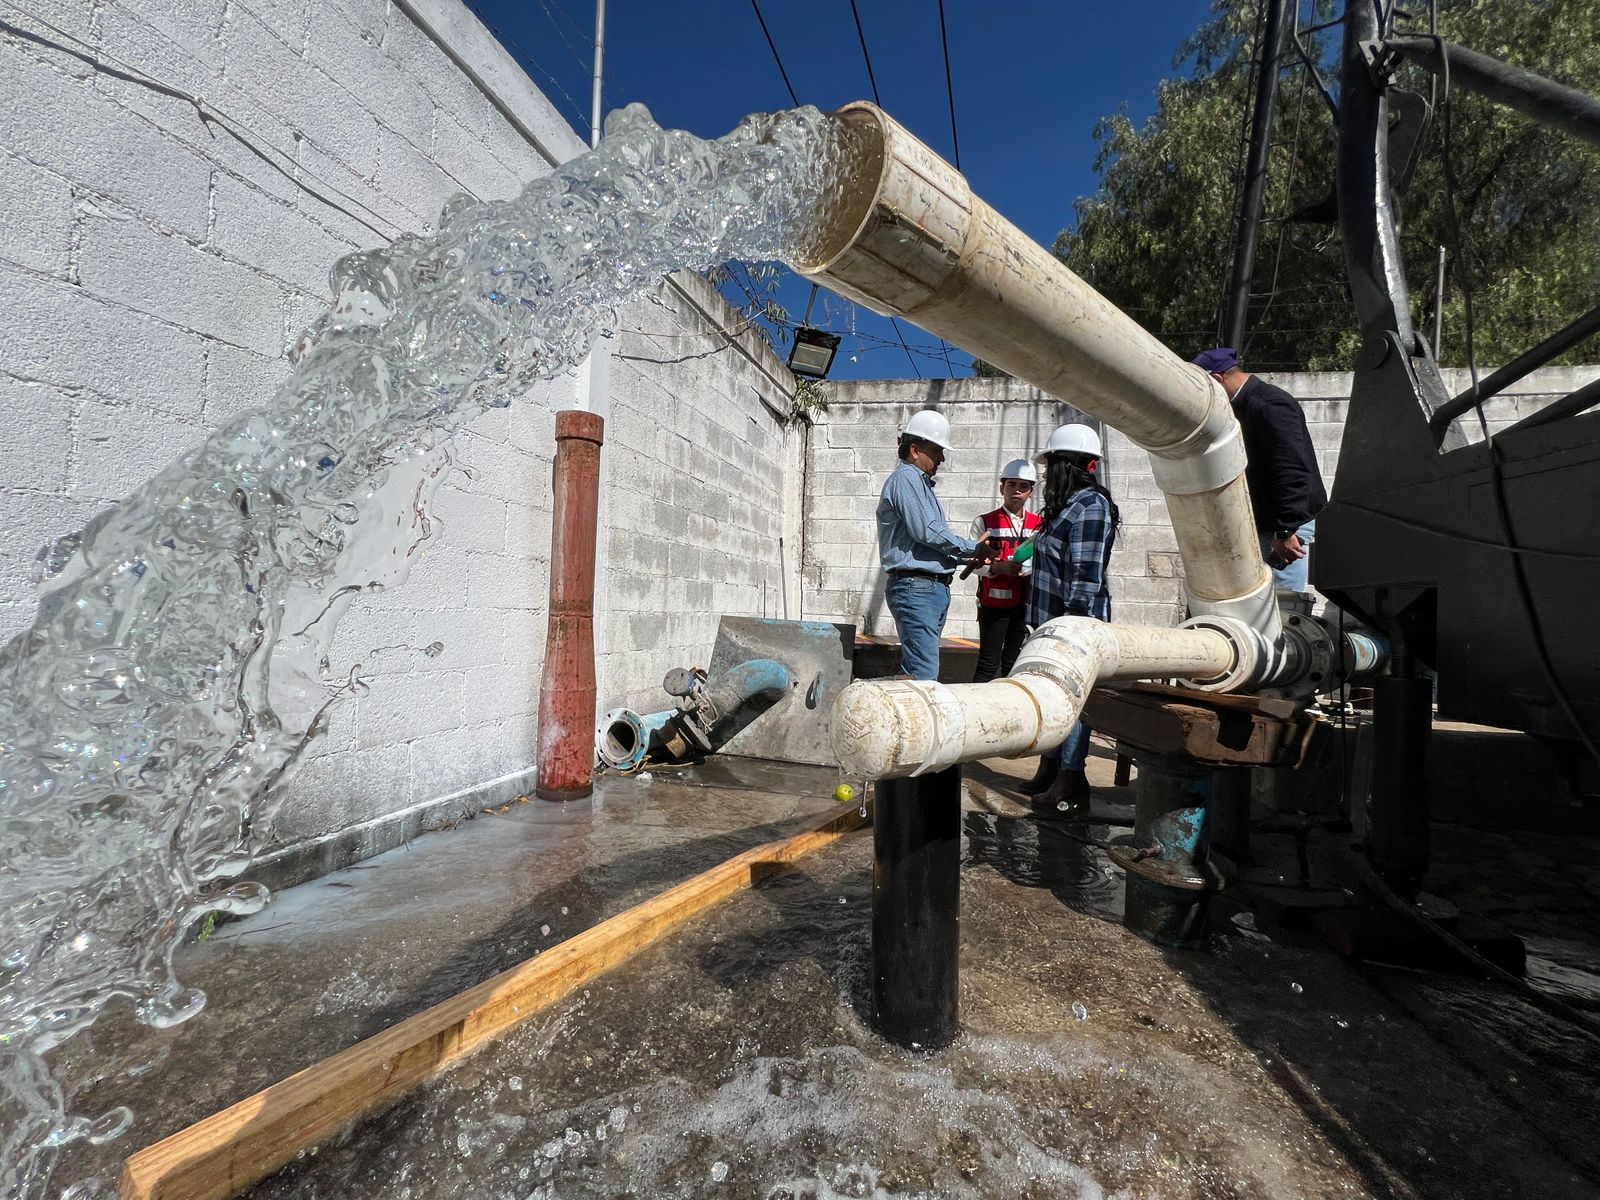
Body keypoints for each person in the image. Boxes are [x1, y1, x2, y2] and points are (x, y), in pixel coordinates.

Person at [1023, 423, 1119, 811]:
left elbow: (1086, 573)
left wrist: (1070, 631)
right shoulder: (1068, 505)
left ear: (1067, 465)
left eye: (1049, 466)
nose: (1044, 474)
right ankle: (1051, 766)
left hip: (1074, 625)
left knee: (1075, 703)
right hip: (1052, 623)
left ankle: (1071, 779)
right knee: (1054, 696)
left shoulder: (1091, 506)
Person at [1192, 347, 1327, 591]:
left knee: (1282, 606)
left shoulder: (1270, 405)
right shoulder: (1245, 405)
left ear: (1216, 379)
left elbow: (1292, 469)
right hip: (1271, 524)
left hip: (1285, 526)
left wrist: (1286, 530)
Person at [876, 410, 994, 680]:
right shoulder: (906, 479)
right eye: (937, 450)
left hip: (925, 588)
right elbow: (927, 532)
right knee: (923, 676)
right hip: (916, 588)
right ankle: (866, 703)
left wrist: (967, 555)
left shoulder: (918, 484)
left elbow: (928, 541)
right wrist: (971, 549)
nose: (942, 457)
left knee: (918, 674)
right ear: (915, 450)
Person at [968, 458, 1043, 683]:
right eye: (1012, 485)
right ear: (1002, 487)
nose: (1017, 491)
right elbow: (973, 563)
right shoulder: (985, 522)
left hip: (1025, 606)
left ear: (1031, 491)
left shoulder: (1039, 525)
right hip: (994, 605)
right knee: (988, 664)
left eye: (1023, 486)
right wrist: (997, 567)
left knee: (1014, 666)